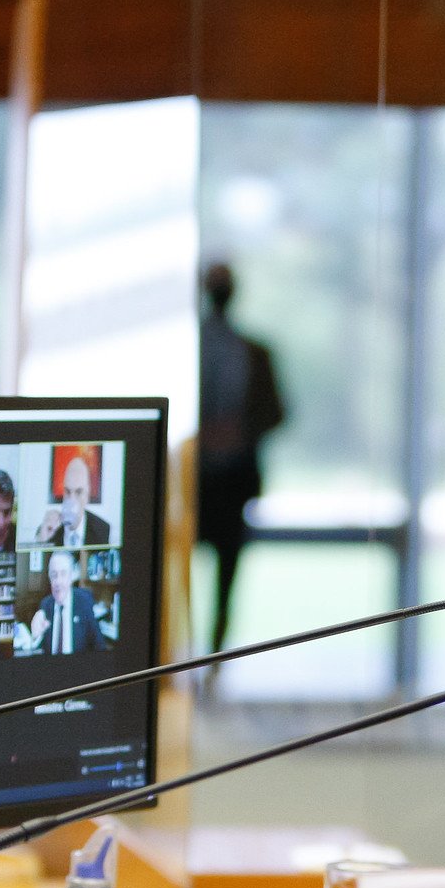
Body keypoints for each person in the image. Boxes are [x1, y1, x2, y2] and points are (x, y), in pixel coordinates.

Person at [197, 262, 288, 653]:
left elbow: (276, 411)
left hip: (233, 480)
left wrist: (238, 431)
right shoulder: (190, 345)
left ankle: (215, 658)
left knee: (227, 578)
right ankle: (181, 663)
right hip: (193, 479)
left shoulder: (254, 352)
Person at [27, 550, 104, 655]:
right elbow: (40, 650)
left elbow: (99, 646)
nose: (58, 582)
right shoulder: (45, 604)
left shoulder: (84, 602)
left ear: (72, 576)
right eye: (54, 575)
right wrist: (36, 636)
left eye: (63, 574)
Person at [34, 455, 111, 548]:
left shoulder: (102, 529)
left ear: (87, 495)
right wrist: (43, 541)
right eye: (67, 491)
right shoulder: (50, 529)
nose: (71, 499)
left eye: (78, 492)